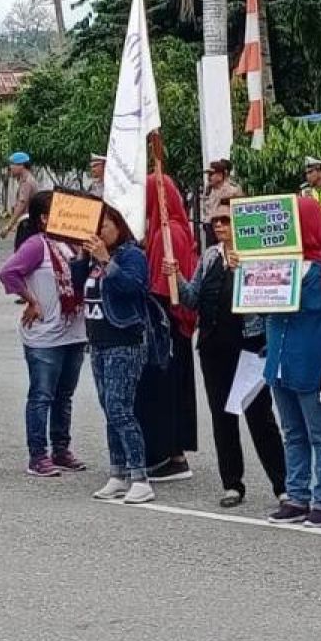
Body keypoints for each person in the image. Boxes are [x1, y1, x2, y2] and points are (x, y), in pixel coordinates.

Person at [166, 198, 286, 508]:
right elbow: (191, 299)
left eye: (226, 220)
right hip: (213, 346)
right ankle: (232, 483)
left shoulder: (257, 257)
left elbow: (270, 301)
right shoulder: (209, 257)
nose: (219, 225)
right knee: (222, 418)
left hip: (248, 346)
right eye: (215, 221)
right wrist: (176, 276)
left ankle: (283, 485)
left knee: (260, 417)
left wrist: (243, 269)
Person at [265, 197, 321, 528]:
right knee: (292, 432)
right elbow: (260, 310)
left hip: (312, 363)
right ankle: (297, 496)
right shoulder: (274, 264)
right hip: (280, 361)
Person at [0, 190, 88, 477]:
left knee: (65, 395)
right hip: (45, 335)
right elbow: (8, 272)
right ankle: (38, 455)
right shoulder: (37, 245)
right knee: (42, 395)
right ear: (45, 218)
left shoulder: (72, 246)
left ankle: (61, 449)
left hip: (74, 331)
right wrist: (31, 299)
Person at [72, 203, 156, 504]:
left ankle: (140, 476)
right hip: (98, 341)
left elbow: (134, 288)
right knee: (109, 408)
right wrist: (83, 258)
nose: (99, 232)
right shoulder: (93, 259)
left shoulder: (131, 255)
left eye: (104, 225)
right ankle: (118, 473)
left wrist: (107, 261)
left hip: (125, 340)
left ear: (118, 226)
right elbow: (78, 287)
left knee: (120, 407)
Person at [135, 173, 200, 482]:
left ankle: (166, 454)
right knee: (175, 386)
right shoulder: (177, 228)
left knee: (163, 388)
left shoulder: (166, 233)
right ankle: (174, 453)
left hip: (165, 323)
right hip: (175, 323)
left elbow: (162, 287)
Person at [199, 159, 243, 248]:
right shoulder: (208, 190)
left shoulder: (232, 190)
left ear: (220, 175)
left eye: (211, 174)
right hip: (210, 227)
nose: (209, 177)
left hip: (225, 228)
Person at [1, 151, 40, 250]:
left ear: (21, 166)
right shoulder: (28, 180)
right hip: (29, 223)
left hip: (27, 224)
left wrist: (8, 226)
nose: (10, 168)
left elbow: (21, 205)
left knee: (21, 253)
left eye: (12, 164)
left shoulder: (26, 183)